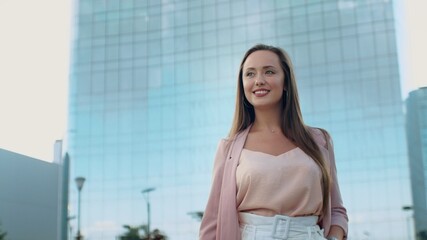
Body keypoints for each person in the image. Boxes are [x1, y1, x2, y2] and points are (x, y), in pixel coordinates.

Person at [199, 44, 348, 240]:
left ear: (286, 81)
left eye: (269, 72)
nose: (259, 81)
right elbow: (212, 221)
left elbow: (336, 210)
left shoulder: (320, 141)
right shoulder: (228, 148)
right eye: (250, 74)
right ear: (242, 85)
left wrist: (334, 238)